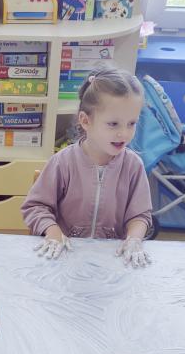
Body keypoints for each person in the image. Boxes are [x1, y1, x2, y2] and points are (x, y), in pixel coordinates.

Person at [21, 65, 153, 267]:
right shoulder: (63, 162)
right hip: (63, 258)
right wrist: (53, 232)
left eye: (132, 123)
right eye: (113, 124)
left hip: (110, 261)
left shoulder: (133, 166)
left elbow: (140, 215)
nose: (124, 134)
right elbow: (36, 207)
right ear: (85, 121)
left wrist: (134, 239)